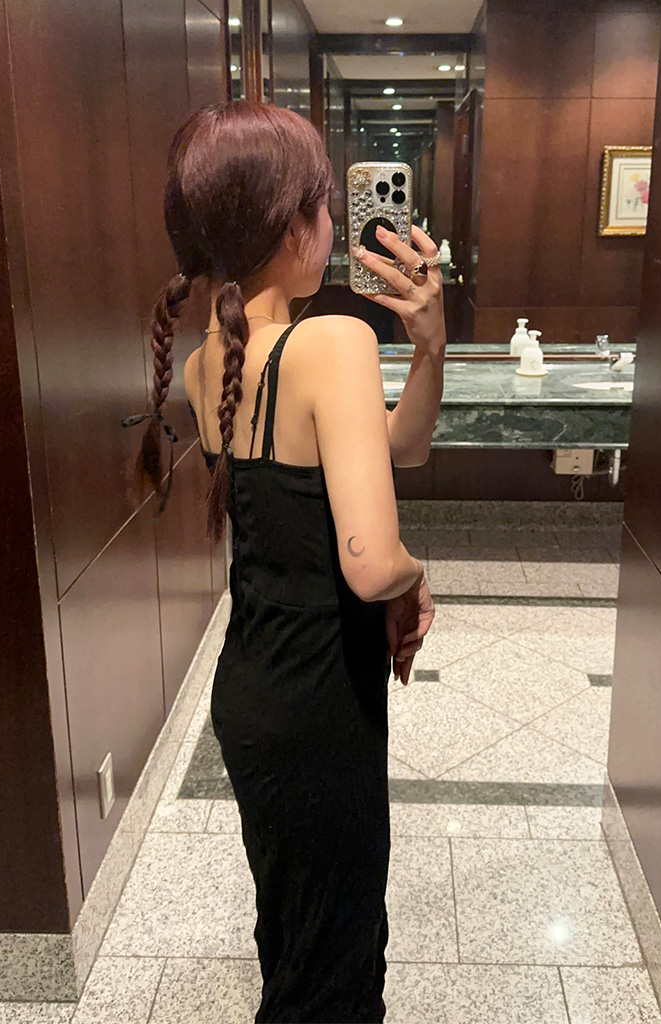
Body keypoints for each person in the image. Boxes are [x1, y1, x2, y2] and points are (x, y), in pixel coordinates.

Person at [124, 99, 444, 1022]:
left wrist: (430, 349)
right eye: (322, 201)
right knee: (334, 968)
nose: (335, 222)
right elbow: (371, 562)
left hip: (255, 686)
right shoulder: (332, 340)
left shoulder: (211, 361)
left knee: (299, 937)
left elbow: (400, 447)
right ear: (288, 222)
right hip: (318, 699)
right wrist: (415, 577)